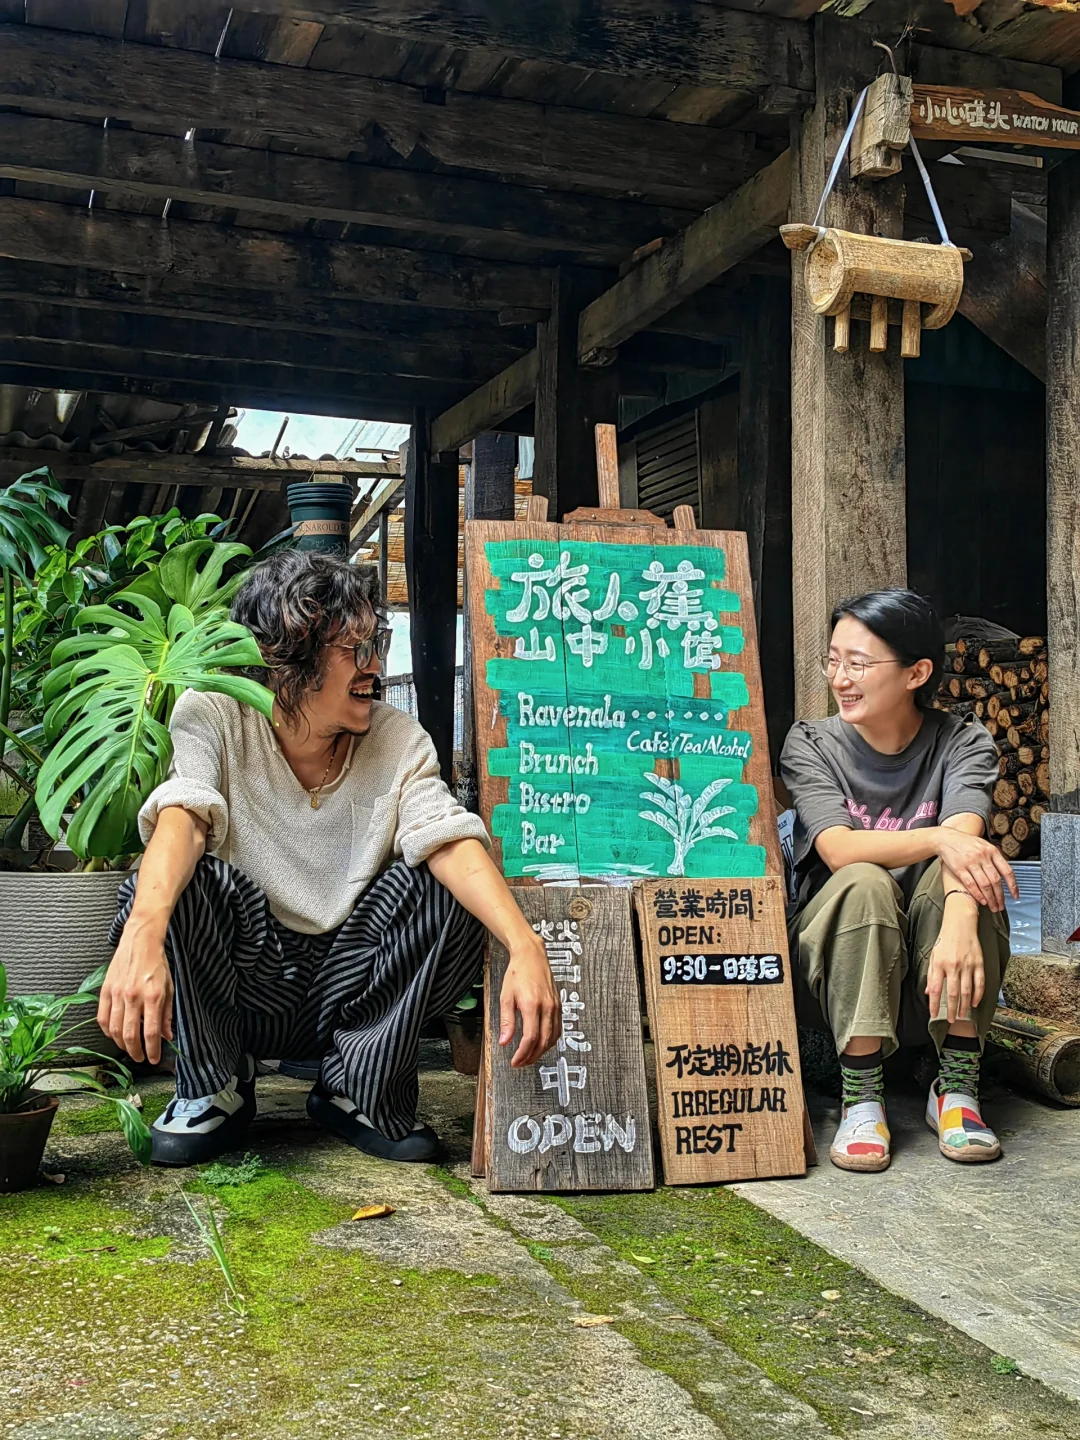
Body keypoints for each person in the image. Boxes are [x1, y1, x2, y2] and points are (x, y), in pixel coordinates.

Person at [99, 551, 560, 1167]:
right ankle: (214, 1083)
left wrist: (525, 945)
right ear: (287, 658)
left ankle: (357, 1087)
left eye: (377, 644)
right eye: (355, 649)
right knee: (170, 887)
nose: (375, 667)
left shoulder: (397, 738)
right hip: (245, 977)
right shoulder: (214, 712)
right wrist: (143, 935)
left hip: (350, 978)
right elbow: (184, 815)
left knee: (445, 889)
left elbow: (448, 836)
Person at [780, 590, 1014, 1173]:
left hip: (930, 976)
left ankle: (956, 1089)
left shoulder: (962, 741)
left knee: (972, 885)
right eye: (833, 660)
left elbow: (965, 845)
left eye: (858, 664)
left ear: (917, 673)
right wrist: (939, 839)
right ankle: (861, 1099)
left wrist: (960, 920)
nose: (840, 678)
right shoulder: (811, 743)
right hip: (835, 976)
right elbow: (839, 848)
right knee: (864, 880)